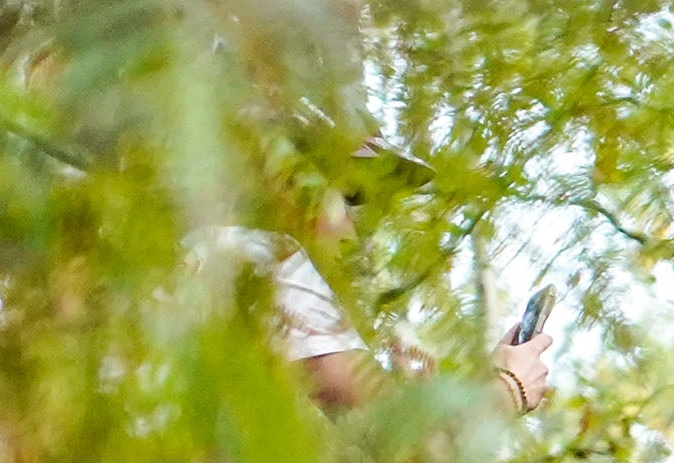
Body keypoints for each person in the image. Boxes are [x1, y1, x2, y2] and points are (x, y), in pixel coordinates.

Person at [206, 142, 555, 416]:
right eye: (351, 198)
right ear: (287, 181)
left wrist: (411, 406)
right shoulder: (265, 258)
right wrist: (508, 389)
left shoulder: (218, 257)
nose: (355, 232)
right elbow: (417, 451)